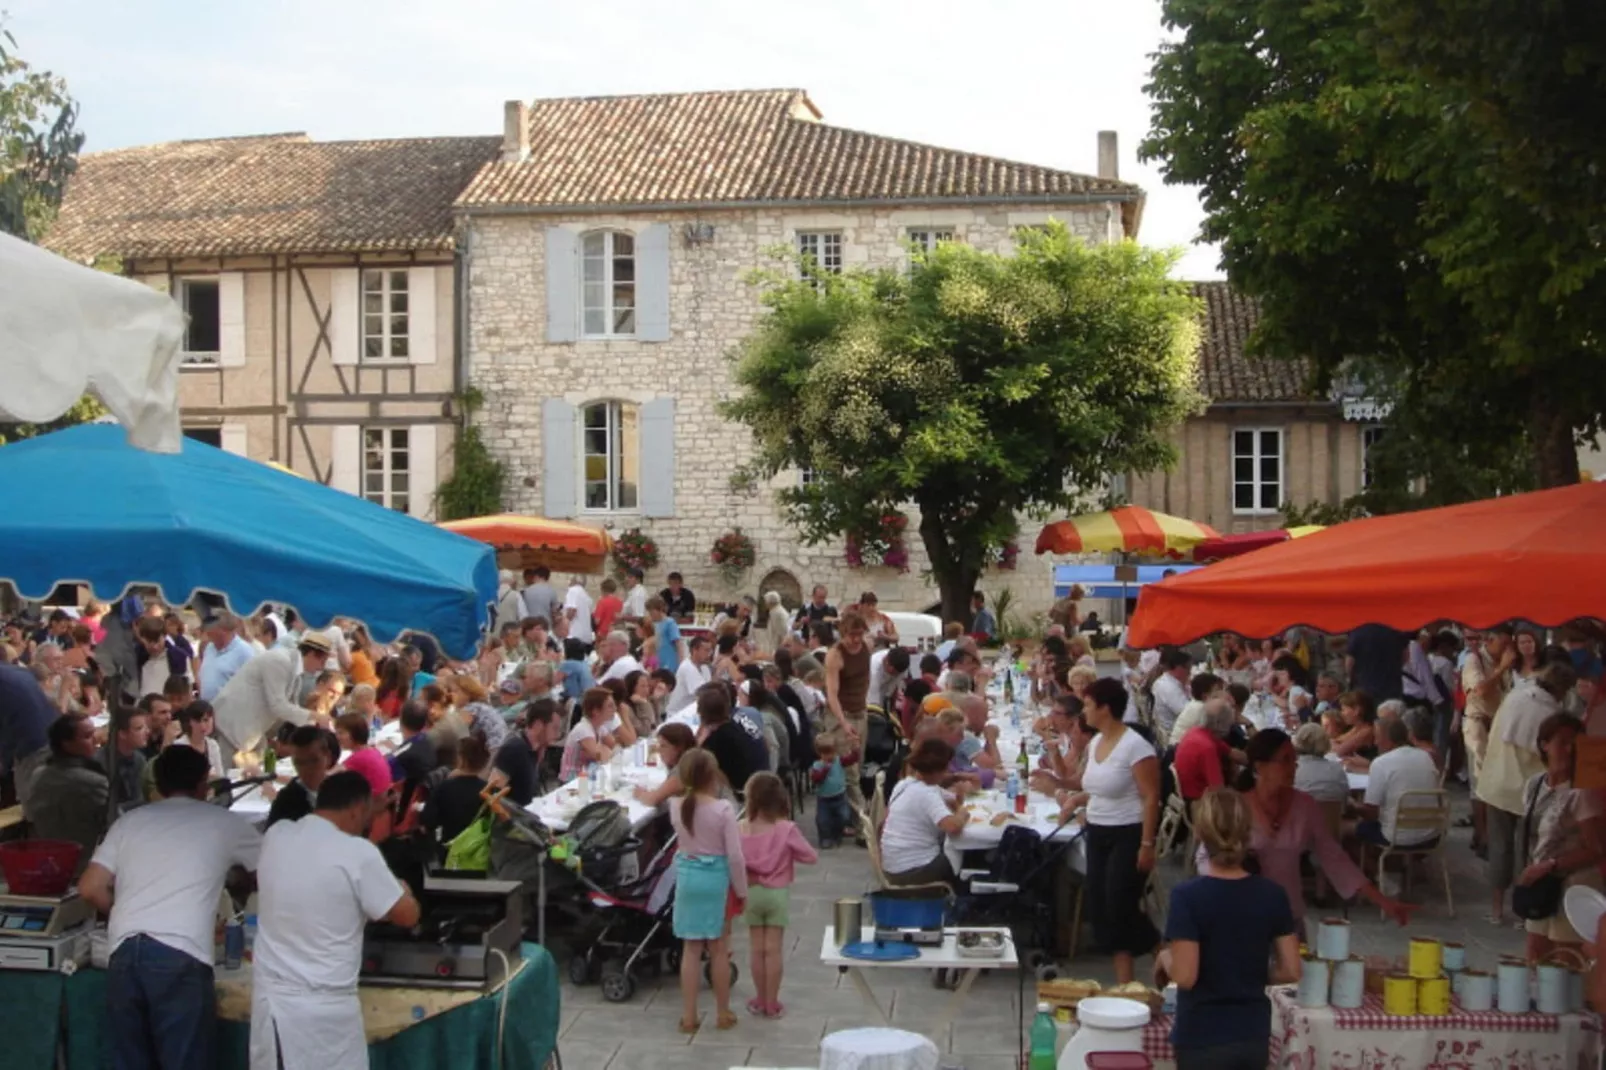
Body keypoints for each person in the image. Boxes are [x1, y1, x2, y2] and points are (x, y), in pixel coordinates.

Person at [79, 746, 263, 1070]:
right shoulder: (223, 822)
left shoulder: (129, 822)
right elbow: (273, 873)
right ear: (203, 784)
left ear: (158, 783)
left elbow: (90, 887)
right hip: (180, 953)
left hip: (123, 950)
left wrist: (125, 912)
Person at [250, 772, 420, 1070]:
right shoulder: (357, 853)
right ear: (356, 810)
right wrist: (401, 887)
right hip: (324, 1013)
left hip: (272, 1005)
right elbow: (408, 915)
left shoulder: (277, 835)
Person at [1208, 728, 1414, 934]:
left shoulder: (1304, 806)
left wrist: (1383, 901)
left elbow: (1333, 856)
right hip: (1240, 915)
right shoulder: (1235, 805)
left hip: (1287, 916)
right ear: (1260, 767)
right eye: (1285, 760)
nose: (1294, 767)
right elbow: (1206, 858)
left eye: (1295, 760)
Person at [1156, 788, 1301, 1070]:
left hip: (1202, 1034)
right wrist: (1252, 971)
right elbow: (1291, 970)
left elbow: (1186, 976)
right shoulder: (1272, 894)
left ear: (1199, 833)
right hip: (1252, 1034)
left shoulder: (1188, 897)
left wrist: (1165, 957)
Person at [1052, 678, 1161, 983]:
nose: (1082, 710)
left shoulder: (1135, 747)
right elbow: (1086, 783)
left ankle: (1158, 952)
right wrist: (1057, 781)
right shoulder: (1098, 741)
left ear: (1104, 708)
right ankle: (1126, 980)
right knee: (1101, 905)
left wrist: (1147, 843)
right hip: (1098, 830)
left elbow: (1151, 795)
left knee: (1120, 903)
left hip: (1128, 831)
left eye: (1087, 704)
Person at [1479, 659, 1576, 924]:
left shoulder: (1515, 696)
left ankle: (1497, 910)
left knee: (1499, 849)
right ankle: (1524, 911)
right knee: (1529, 852)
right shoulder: (1549, 713)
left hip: (1497, 783)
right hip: (1527, 789)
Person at [1517, 713, 1606, 960]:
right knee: (1534, 955)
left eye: (1574, 744)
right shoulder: (1534, 785)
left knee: (1565, 962)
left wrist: (1551, 865)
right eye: (1562, 742)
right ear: (1545, 744)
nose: (1568, 750)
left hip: (1573, 887)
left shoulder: (1581, 792)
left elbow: (1596, 848)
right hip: (1542, 886)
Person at [670, 748, 745, 1034]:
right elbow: (735, 857)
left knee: (690, 949)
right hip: (716, 881)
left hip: (688, 878)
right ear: (713, 776)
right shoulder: (723, 810)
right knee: (719, 949)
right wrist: (741, 889)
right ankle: (723, 1012)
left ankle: (689, 1016)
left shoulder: (675, 807)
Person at [739, 771, 817, 1019]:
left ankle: (759, 998)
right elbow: (810, 856)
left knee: (756, 949)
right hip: (777, 893)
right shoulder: (786, 829)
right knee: (773, 950)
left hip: (751, 892)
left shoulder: (740, 828)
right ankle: (772, 1002)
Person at [213, 633, 333, 759]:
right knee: (226, 774)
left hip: (249, 730)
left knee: (260, 767)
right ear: (311, 654)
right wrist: (316, 716)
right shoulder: (279, 661)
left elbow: (291, 707)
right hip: (231, 725)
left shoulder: (293, 669)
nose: (322, 667)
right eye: (322, 661)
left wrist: (315, 724)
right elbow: (278, 705)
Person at [880, 739, 969, 887]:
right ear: (938, 769)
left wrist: (958, 797)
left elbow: (950, 798)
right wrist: (962, 815)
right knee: (966, 856)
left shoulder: (905, 784)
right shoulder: (927, 794)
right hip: (912, 871)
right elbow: (952, 827)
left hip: (892, 866)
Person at [29, 714, 109, 873]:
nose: (95, 739)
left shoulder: (38, 774)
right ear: (66, 744)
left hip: (49, 860)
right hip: (84, 864)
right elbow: (114, 821)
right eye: (87, 736)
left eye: (94, 733)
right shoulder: (92, 782)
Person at [1464, 626, 1517, 854]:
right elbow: (1480, 690)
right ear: (1490, 641)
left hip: (1498, 724)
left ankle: (1485, 833)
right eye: (1503, 645)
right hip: (1479, 723)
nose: (1507, 650)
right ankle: (1481, 833)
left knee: (1493, 778)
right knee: (1479, 779)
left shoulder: (1509, 664)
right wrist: (1502, 667)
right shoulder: (1474, 660)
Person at [1355, 716, 1440, 851]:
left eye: (1377, 737)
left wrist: (1351, 805)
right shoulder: (1425, 756)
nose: (1375, 742)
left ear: (1388, 739)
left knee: (1350, 827)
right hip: (1431, 835)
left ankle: (1372, 868)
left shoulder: (1381, 763)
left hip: (1395, 838)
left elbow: (1371, 812)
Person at [823, 611, 873, 821]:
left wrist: (864, 708)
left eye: (860, 634)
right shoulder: (835, 655)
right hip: (840, 715)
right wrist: (843, 723)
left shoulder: (867, 648)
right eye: (852, 635)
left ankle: (852, 817)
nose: (856, 639)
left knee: (857, 765)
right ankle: (864, 822)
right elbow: (832, 693)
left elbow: (867, 678)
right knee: (849, 771)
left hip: (860, 711)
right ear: (843, 633)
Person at [0, 661, 61, 822]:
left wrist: (5, 763)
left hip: (33, 747)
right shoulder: (17, 672)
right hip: (52, 738)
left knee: (36, 810)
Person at [696, 684, 766, 799]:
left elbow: (693, 761)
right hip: (762, 779)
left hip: (744, 793)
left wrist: (701, 738)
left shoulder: (717, 739)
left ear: (701, 712)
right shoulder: (739, 719)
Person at [421, 735, 490, 845]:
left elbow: (428, 822)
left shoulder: (445, 788)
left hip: (451, 848)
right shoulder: (489, 790)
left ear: (461, 759)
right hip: (478, 848)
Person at [493, 698, 564, 805]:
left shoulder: (536, 749)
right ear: (538, 725)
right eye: (554, 728)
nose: (558, 735)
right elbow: (492, 792)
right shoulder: (514, 749)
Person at [266, 724, 339, 828]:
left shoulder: (341, 792)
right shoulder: (286, 802)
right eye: (299, 763)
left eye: (314, 761)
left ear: (328, 757)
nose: (307, 769)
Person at [1173, 697, 1238, 804]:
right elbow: (1218, 790)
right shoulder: (1207, 747)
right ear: (1223, 723)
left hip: (1189, 795)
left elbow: (1232, 753)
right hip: (1200, 802)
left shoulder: (1196, 732)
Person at [561, 687, 620, 780]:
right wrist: (604, 749)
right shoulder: (583, 729)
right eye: (610, 706)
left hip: (588, 776)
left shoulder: (600, 727)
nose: (615, 709)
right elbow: (600, 756)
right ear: (595, 711)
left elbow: (616, 748)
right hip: (572, 781)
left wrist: (604, 750)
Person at [197, 612, 254, 702]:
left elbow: (252, 685)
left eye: (211, 629)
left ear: (223, 630)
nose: (207, 632)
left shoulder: (245, 651)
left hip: (230, 710)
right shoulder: (209, 648)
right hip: (206, 710)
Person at [334, 712, 392, 797]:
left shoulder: (359, 758)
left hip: (371, 805)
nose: (337, 737)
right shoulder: (372, 750)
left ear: (355, 733)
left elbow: (330, 776)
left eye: (341, 733)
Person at [1291, 722, 1351, 804]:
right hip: (1333, 815)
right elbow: (1345, 797)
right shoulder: (1337, 769)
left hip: (1300, 815)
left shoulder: (1291, 770)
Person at [810, 738, 851, 848]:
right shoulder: (817, 765)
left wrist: (856, 748)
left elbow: (852, 759)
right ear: (819, 753)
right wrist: (824, 770)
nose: (829, 756)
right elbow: (816, 779)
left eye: (831, 753)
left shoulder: (839, 760)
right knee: (823, 820)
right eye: (825, 753)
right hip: (824, 798)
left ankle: (837, 834)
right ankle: (825, 838)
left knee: (843, 816)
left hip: (839, 796)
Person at [173, 699, 226, 782]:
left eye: (206, 720)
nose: (202, 726)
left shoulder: (213, 745)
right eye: (197, 721)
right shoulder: (178, 746)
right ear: (190, 722)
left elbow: (220, 777)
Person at [1168, 672, 1225, 746]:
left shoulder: (1196, 704)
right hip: (1181, 748)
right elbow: (1214, 734)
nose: (1221, 694)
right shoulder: (1202, 709)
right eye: (1217, 691)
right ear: (1205, 696)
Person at [1150, 649, 1193, 740]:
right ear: (1179, 668)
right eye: (1188, 668)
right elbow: (1189, 715)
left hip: (1174, 730)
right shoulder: (1168, 687)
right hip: (1177, 736)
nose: (1190, 672)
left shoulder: (1167, 681)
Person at [666, 635, 713, 716]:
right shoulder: (687, 667)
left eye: (710, 651)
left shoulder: (705, 668)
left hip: (693, 714)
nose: (709, 654)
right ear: (695, 650)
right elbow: (703, 694)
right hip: (678, 715)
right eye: (706, 650)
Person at [1330, 690, 1377, 759]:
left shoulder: (1367, 731)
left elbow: (1339, 751)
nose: (1341, 713)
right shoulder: (1357, 728)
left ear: (1356, 710)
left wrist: (1335, 744)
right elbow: (1334, 741)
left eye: (1343, 710)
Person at [648, 597, 686, 674]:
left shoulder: (670, 623)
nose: (650, 614)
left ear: (659, 610)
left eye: (652, 611)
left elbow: (678, 643)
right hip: (658, 663)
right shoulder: (653, 624)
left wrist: (681, 663)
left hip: (670, 663)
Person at [563, 576, 596, 656]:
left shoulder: (573, 591)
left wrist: (563, 623)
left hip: (574, 636)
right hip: (586, 637)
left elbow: (572, 611)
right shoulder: (586, 595)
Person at [761, 591, 791, 656]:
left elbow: (782, 632)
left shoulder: (777, 613)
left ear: (770, 602)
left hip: (777, 645)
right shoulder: (775, 611)